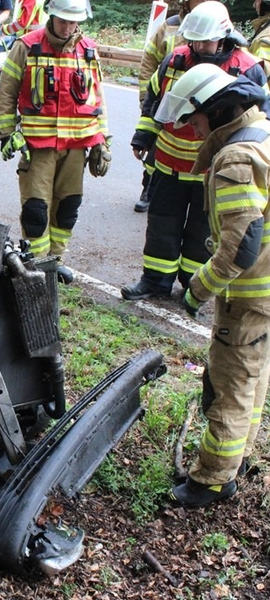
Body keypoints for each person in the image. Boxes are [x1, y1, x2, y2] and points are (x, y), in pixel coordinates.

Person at [151, 63, 270, 507]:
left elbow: (241, 247)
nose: (194, 131)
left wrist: (198, 289)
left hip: (252, 292)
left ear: (218, 112)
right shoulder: (262, 134)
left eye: (196, 121)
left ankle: (212, 480)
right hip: (266, 292)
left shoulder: (236, 157)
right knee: (254, 379)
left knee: (230, 383)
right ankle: (238, 458)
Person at [121, 1, 270, 301]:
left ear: (225, 35)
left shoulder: (248, 68)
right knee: (162, 224)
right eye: (195, 40)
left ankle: (193, 286)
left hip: (215, 169)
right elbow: (154, 101)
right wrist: (143, 137)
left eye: (207, 40)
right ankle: (155, 282)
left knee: (201, 234)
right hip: (169, 161)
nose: (200, 46)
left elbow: (260, 115)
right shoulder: (176, 59)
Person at [0, 0, 110, 284]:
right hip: (39, 147)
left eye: (74, 22)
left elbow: (98, 99)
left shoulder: (88, 51)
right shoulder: (26, 46)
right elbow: (7, 93)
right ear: (52, 15)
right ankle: (35, 265)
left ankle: (55, 261)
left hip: (76, 148)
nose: (69, 28)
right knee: (36, 209)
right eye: (64, 21)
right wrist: (7, 134)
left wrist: (102, 141)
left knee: (67, 207)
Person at [134, 0, 203, 213]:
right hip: (166, 101)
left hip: (198, 107)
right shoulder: (170, 26)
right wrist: (148, 98)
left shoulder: (218, 25)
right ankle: (147, 190)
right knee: (155, 151)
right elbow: (149, 62)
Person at [250, 0, 270, 79]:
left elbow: (260, 75)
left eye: (257, 1)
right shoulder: (264, 28)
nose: (254, 5)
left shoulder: (265, 38)